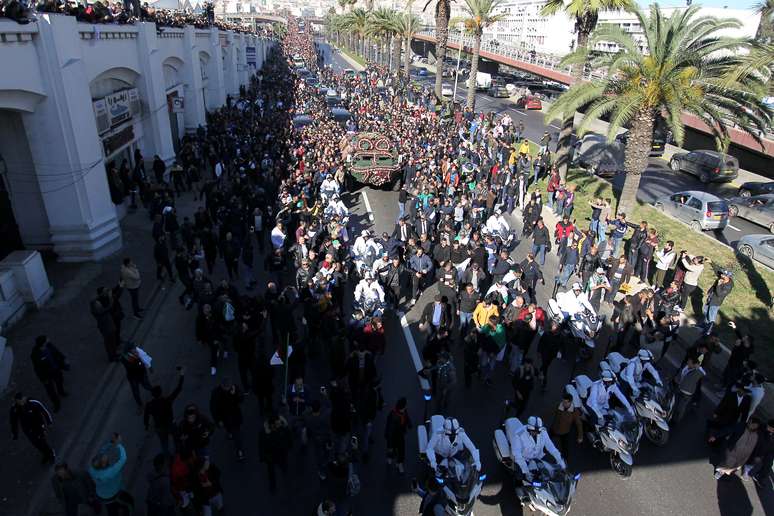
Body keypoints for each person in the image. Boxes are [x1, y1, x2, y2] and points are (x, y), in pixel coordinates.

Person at [508, 416, 566, 482]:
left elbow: (551, 447)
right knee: (520, 478)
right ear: (528, 428)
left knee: (550, 473)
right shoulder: (518, 435)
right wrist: (526, 471)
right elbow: (517, 455)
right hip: (523, 459)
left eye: (538, 432)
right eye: (533, 431)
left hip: (537, 457)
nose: (536, 433)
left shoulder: (543, 431)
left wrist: (560, 461)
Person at [89, 434, 133, 516]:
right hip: (113, 494)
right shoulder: (110, 472)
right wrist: (119, 444)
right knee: (128, 502)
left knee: (111, 509)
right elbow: (123, 458)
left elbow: (102, 452)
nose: (106, 456)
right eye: (105, 458)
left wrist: (111, 442)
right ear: (103, 464)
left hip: (102, 494)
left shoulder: (92, 469)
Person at [144, 367, 185, 455]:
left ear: (152, 395)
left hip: (160, 427)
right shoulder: (167, 401)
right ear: (161, 393)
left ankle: (167, 456)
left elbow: (146, 415)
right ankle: (178, 454)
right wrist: (182, 375)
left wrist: (146, 425)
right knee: (177, 439)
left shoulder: (149, 405)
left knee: (164, 444)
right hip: (170, 424)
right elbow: (178, 389)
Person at [10, 393, 55, 464]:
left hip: (39, 426)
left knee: (42, 442)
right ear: (16, 401)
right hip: (28, 430)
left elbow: (44, 411)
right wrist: (15, 434)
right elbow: (13, 422)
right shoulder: (14, 409)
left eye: (22, 400)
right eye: (19, 401)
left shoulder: (33, 402)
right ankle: (45, 454)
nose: (21, 403)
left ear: (24, 398)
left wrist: (49, 422)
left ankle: (51, 453)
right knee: (36, 444)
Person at [30, 335, 69, 413]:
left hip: (56, 369)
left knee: (60, 381)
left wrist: (64, 358)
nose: (48, 339)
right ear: (43, 344)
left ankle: (61, 392)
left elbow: (57, 352)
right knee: (51, 391)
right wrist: (43, 379)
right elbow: (37, 368)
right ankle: (56, 404)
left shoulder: (49, 345)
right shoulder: (35, 354)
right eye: (46, 339)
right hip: (46, 375)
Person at [210, 377, 245, 461]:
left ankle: (239, 450)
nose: (228, 389)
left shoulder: (234, 388)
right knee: (228, 428)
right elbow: (213, 408)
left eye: (229, 387)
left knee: (237, 434)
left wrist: (235, 394)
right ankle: (229, 432)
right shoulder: (216, 393)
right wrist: (218, 420)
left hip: (235, 415)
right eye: (226, 387)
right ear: (222, 386)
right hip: (224, 417)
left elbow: (241, 399)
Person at [258, 412, 293, 494]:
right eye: (276, 424)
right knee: (271, 471)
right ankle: (273, 485)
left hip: (281, 452)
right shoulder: (264, 432)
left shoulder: (281, 426)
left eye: (278, 423)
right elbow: (261, 445)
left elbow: (288, 436)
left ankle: (283, 473)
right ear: (271, 424)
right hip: (271, 455)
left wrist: (289, 445)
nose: (278, 424)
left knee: (283, 465)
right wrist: (263, 457)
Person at [672, 356, 706, 423]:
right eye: (688, 361)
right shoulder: (686, 367)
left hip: (687, 393)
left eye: (689, 362)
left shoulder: (697, 372)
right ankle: (671, 417)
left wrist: (698, 367)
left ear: (694, 364)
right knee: (674, 405)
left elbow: (704, 373)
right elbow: (680, 375)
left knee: (680, 408)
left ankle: (676, 421)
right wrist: (676, 380)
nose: (687, 362)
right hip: (679, 388)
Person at [550, 394, 583, 459]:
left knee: (565, 448)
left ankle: (565, 460)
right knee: (547, 440)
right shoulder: (558, 405)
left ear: (570, 402)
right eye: (563, 401)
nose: (563, 403)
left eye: (566, 402)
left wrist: (580, 436)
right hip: (554, 429)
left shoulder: (574, 411)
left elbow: (579, 424)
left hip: (565, 432)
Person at [385, 397, 412, 474]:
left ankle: (399, 463)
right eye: (405, 405)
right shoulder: (393, 416)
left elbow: (406, 417)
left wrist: (409, 424)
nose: (406, 407)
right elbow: (390, 431)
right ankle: (391, 458)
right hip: (393, 436)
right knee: (392, 448)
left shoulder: (403, 411)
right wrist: (390, 444)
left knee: (401, 450)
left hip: (400, 435)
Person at [702, 270, 733, 334]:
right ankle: (704, 325)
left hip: (715, 302)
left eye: (723, 275)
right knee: (705, 311)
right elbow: (715, 283)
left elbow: (719, 294)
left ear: (728, 277)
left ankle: (708, 331)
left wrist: (719, 284)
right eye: (722, 274)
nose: (721, 275)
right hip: (710, 298)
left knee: (711, 317)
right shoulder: (721, 278)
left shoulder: (728, 286)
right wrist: (710, 291)